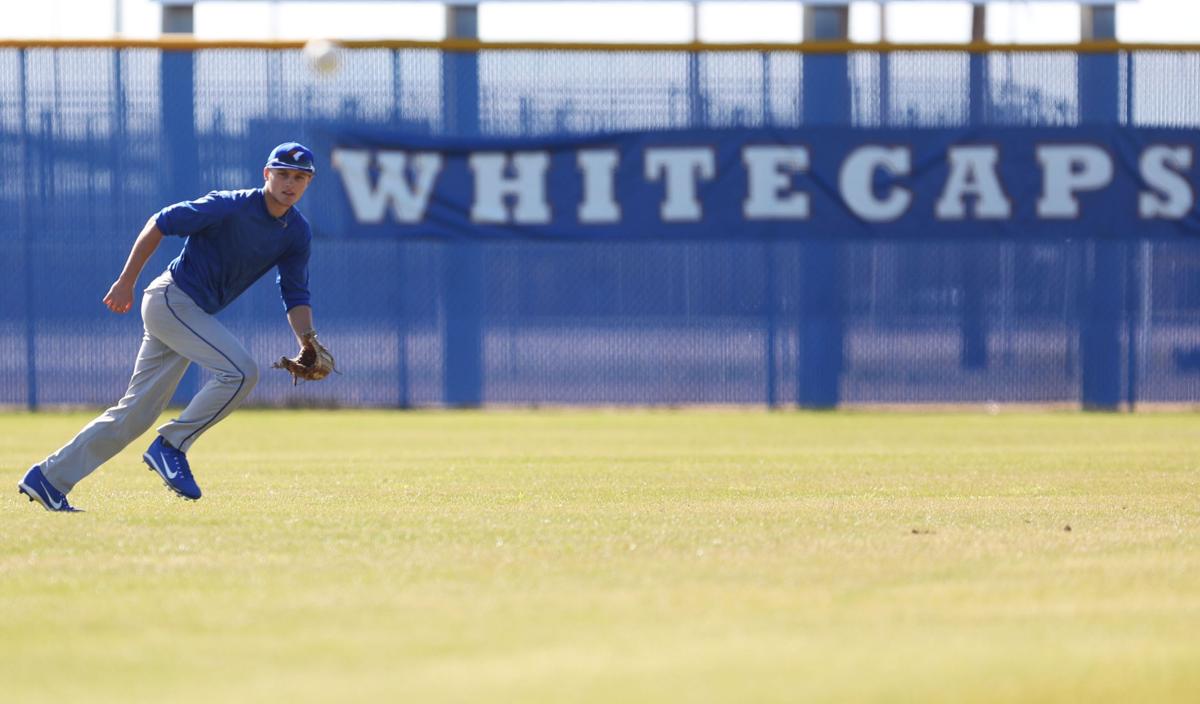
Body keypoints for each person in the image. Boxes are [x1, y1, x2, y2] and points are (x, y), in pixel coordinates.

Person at [18, 142, 321, 512]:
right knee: (241, 372)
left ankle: (47, 479)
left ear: (308, 182)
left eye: (300, 177)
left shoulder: (296, 232)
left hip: (187, 313)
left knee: (134, 414)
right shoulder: (230, 205)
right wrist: (126, 280)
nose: (291, 183)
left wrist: (307, 341)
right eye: (283, 174)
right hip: (171, 300)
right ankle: (171, 445)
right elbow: (160, 222)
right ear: (266, 174)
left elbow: (294, 291)